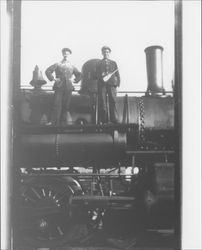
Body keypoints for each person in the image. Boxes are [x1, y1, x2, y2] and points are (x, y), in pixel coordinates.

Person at [45, 48, 82, 125]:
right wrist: (53, 79)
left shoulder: (72, 66)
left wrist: (74, 80)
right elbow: (48, 71)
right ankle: (54, 122)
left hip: (68, 87)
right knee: (56, 104)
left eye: (67, 54)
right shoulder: (57, 64)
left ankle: (63, 123)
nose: (66, 55)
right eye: (64, 53)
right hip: (59, 86)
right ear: (62, 54)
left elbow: (79, 74)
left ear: (69, 55)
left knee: (66, 105)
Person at [95, 46, 120, 124]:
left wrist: (118, 84)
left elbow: (117, 74)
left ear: (109, 53)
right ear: (102, 53)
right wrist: (101, 74)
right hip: (102, 85)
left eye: (107, 52)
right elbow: (95, 74)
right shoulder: (99, 63)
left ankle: (114, 119)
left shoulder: (113, 63)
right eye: (104, 52)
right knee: (102, 101)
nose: (106, 53)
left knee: (113, 100)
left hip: (112, 84)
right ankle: (104, 119)